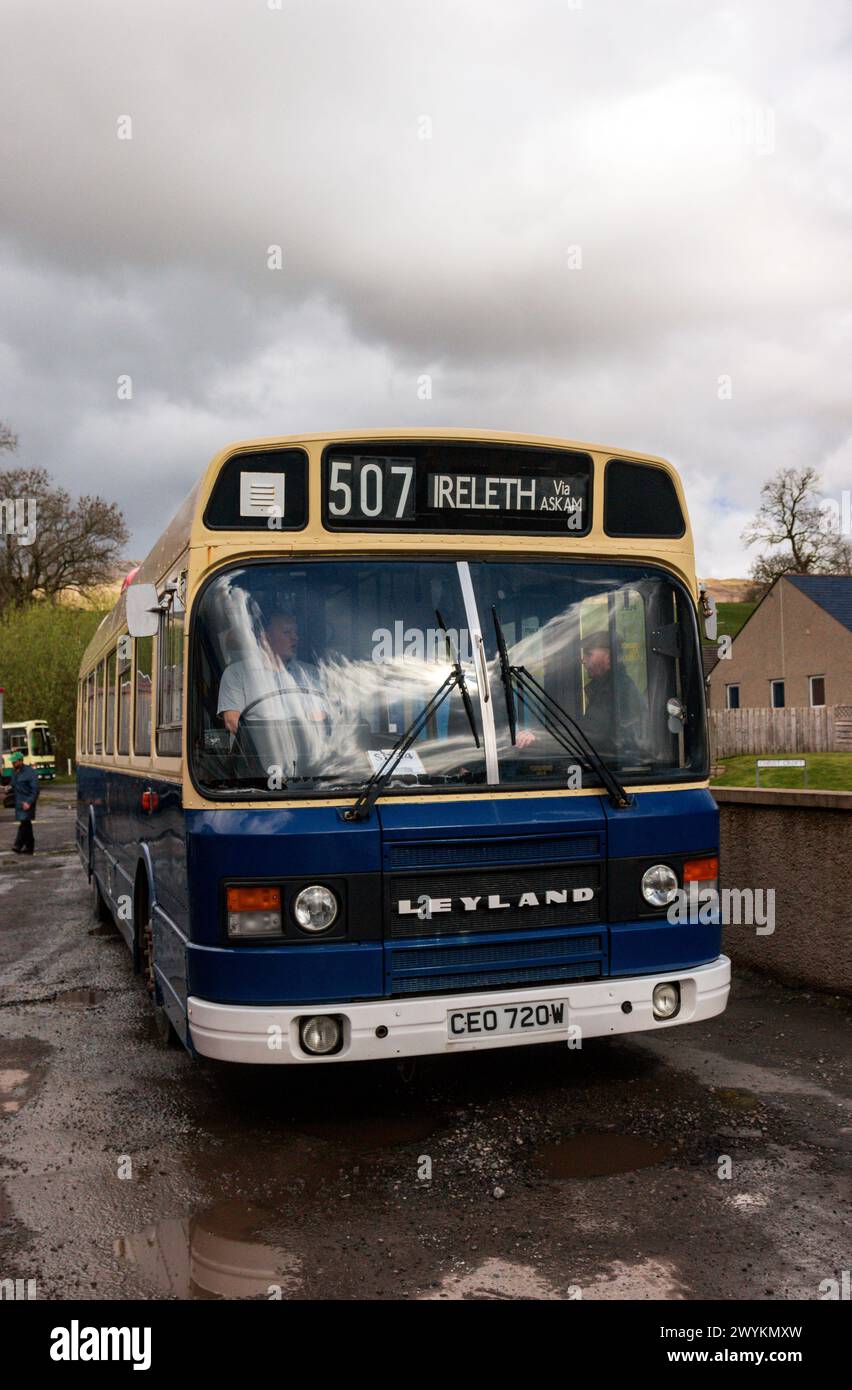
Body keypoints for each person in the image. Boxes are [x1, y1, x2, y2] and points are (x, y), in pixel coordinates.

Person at [515, 628, 645, 752]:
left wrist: (539, 738)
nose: (583, 660)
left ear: (608, 658)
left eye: (589, 654)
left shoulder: (618, 690)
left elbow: (588, 733)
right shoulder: (608, 686)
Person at [217, 610, 326, 736]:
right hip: (259, 752)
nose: (295, 637)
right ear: (266, 637)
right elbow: (232, 722)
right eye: (287, 632)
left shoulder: (309, 673)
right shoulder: (236, 673)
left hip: (307, 751)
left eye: (296, 632)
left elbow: (319, 716)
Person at [9, 749, 39, 855]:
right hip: (19, 803)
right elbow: (13, 784)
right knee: (26, 824)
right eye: (12, 761)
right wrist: (8, 788)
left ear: (21, 761)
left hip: (27, 802)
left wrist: (29, 802)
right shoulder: (14, 772)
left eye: (15, 761)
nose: (13, 763)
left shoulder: (30, 772)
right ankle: (30, 847)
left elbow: (35, 790)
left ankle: (18, 845)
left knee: (24, 823)